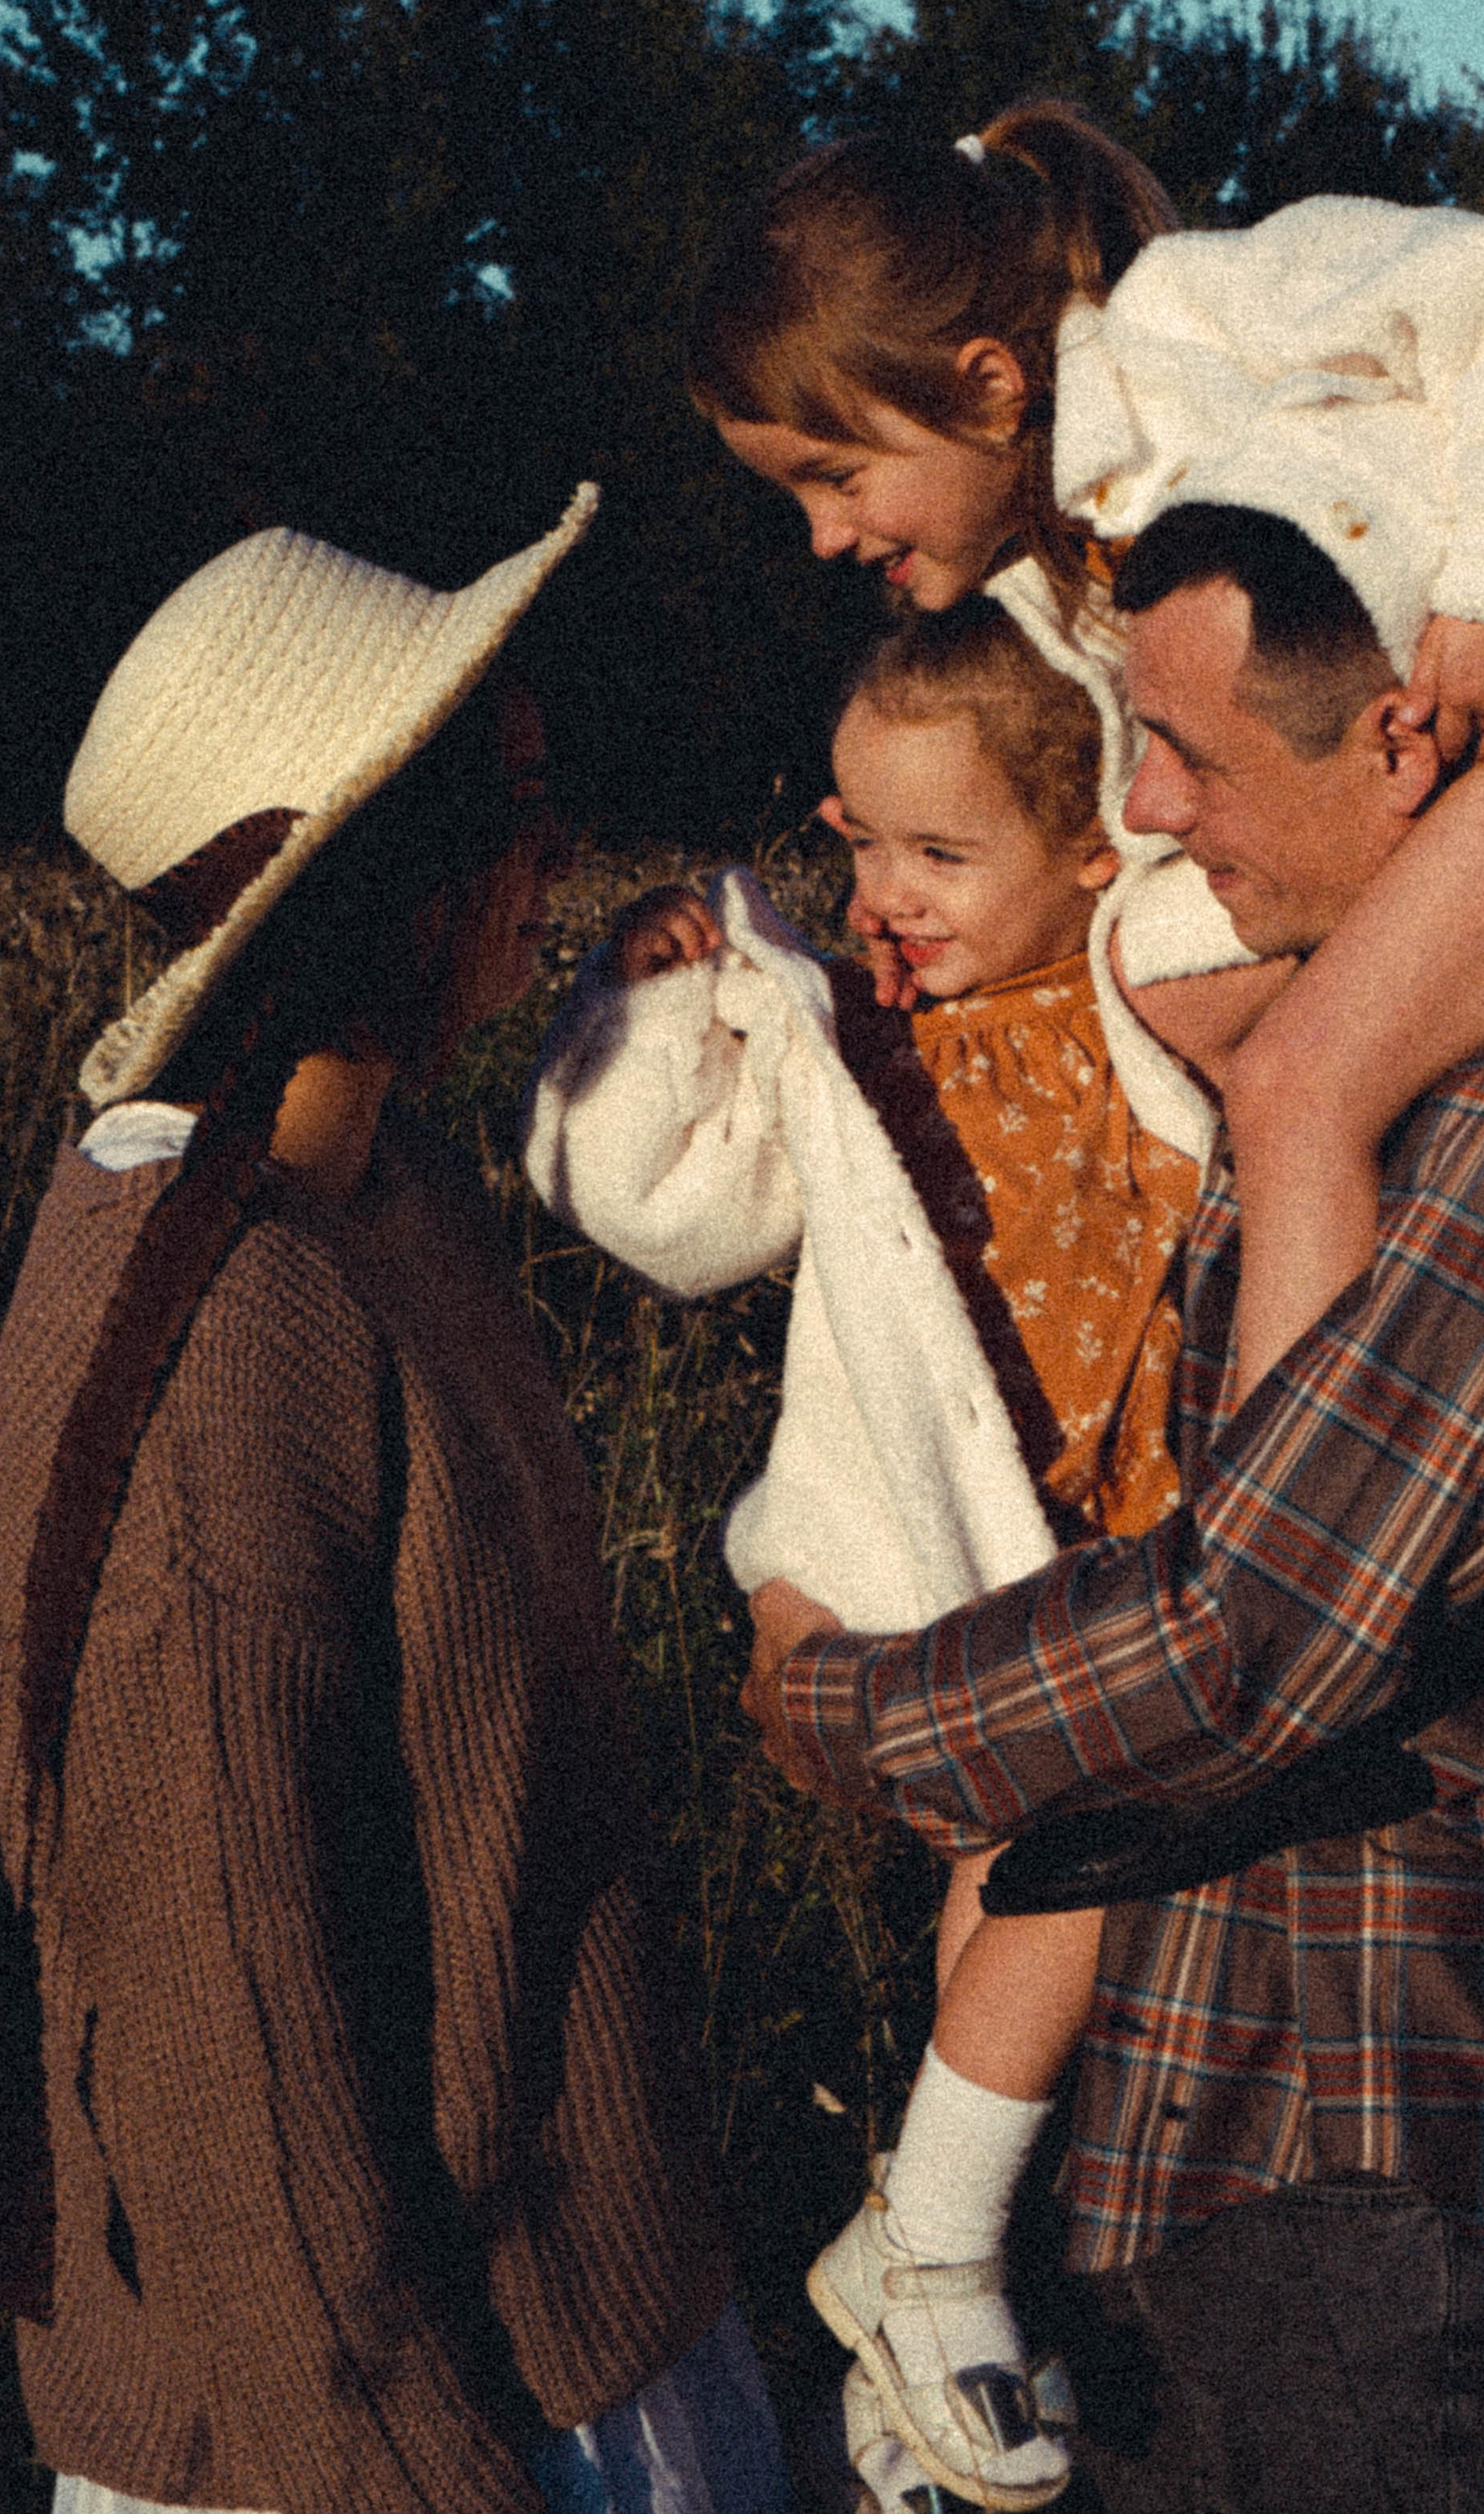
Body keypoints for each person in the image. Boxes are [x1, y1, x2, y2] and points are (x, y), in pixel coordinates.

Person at [740, 500, 1484, 2512]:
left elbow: (1256, 1639)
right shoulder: (1354, 1040)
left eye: (1195, 759)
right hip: (1195, 2123)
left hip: (1372, 2147)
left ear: (1405, 734)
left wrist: (835, 1704)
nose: (1142, 812)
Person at [685, 102, 1484, 1408]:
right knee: (1162, 979)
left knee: (1300, 1084)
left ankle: (1275, 1568)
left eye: (837, 475)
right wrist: (948, 917)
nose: (824, 536)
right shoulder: (1057, 569)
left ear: (991, 386)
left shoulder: (1198, 311)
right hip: (1471, 759)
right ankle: (1389, 1325)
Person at [0, 497, 792, 2514]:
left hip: (578, 2338)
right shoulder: (212, 1350)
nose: (556, 851)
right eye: (513, 809)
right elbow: (222, 2044)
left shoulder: (380, 1191)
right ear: (382, 870)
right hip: (361, 2436)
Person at [525, 599, 1206, 2510]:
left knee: (1052, 1920)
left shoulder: (1144, 988)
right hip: (936, 1549)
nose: (884, 894)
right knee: (1063, 1861)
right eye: (857, 845)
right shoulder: (851, 1047)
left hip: (1113, 1535)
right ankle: (937, 2252)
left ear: (1099, 850)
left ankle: (927, 2326)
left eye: (939, 852)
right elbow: (641, 1202)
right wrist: (660, 1005)